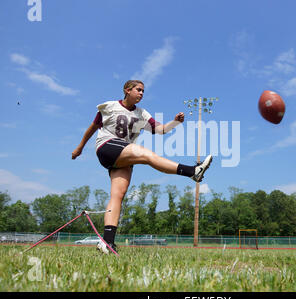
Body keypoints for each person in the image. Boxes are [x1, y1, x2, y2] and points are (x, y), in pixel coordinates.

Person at [72, 80, 212, 254]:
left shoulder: (142, 114)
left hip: (123, 155)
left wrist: (175, 122)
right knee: (146, 155)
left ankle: (107, 242)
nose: (141, 93)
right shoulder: (110, 107)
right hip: (107, 147)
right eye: (138, 90)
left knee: (117, 195)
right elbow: (92, 128)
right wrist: (79, 148)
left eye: (143, 91)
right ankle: (192, 171)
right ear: (127, 90)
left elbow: (160, 130)